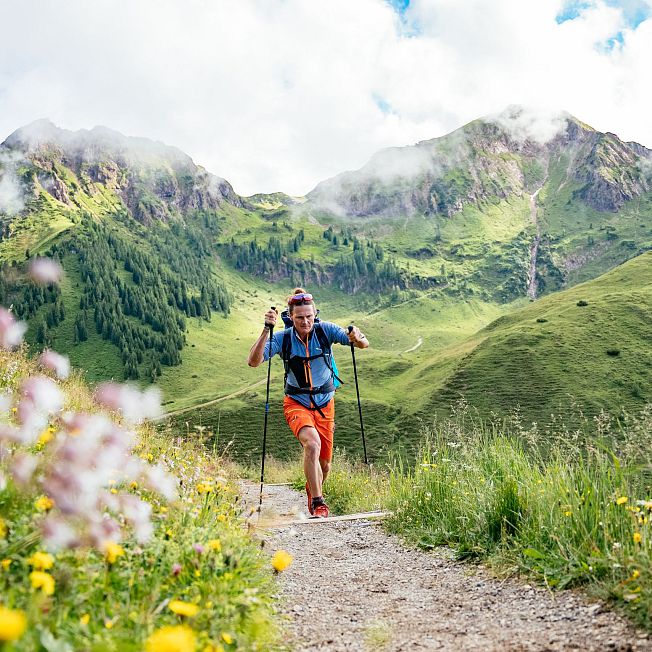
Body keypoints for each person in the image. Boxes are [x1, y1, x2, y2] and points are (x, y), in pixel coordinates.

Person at [247, 288, 369, 518]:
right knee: (311, 444)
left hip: (325, 405)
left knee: (325, 467)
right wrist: (266, 329)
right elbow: (253, 361)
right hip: (296, 402)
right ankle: (318, 502)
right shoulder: (282, 338)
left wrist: (357, 337)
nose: (305, 321)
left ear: (315, 314)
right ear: (291, 318)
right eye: (300, 317)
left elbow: (363, 344)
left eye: (309, 316)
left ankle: (313, 488)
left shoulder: (325, 331)